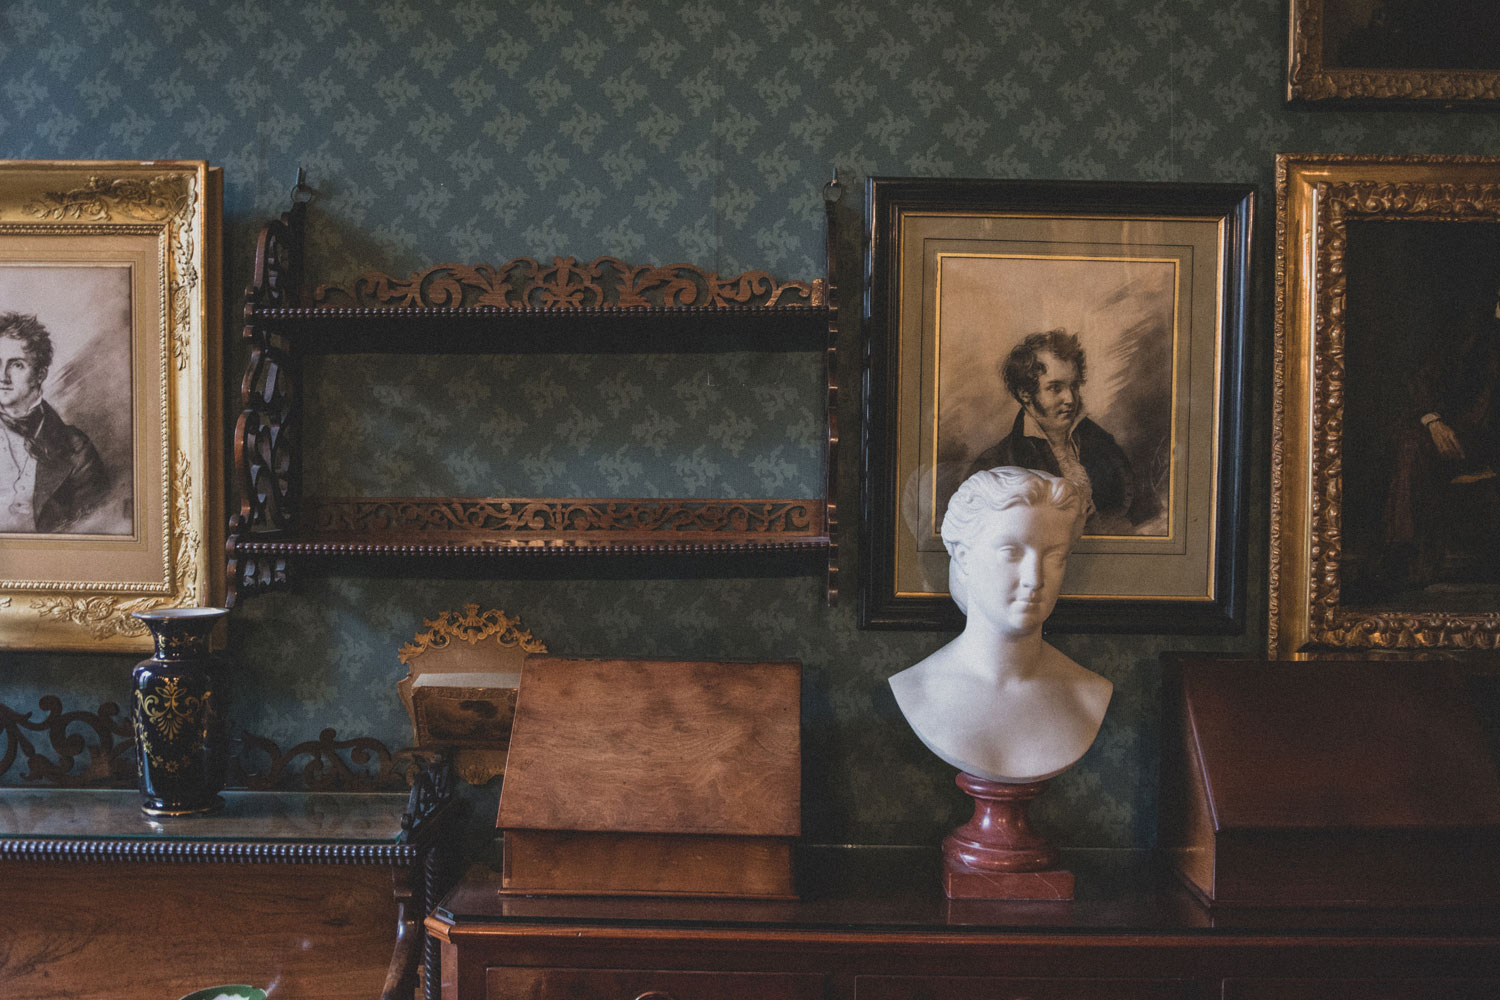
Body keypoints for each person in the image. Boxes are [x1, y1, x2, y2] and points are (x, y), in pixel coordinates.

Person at [889, 467, 1112, 784]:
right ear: (963, 556)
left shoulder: (1088, 695)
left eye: (1054, 556)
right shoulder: (918, 690)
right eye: (1011, 552)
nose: (1034, 579)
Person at [964, 330, 1156, 535]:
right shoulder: (996, 463)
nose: (1070, 399)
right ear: (1025, 393)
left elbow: (1143, 513)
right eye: (1055, 388)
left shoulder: (1103, 444)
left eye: (1074, 386)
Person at [0, 312, 108, 533]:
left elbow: (94, 527)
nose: (3, 376)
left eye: (17, 365)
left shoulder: (76, 448)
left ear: (40, 374)